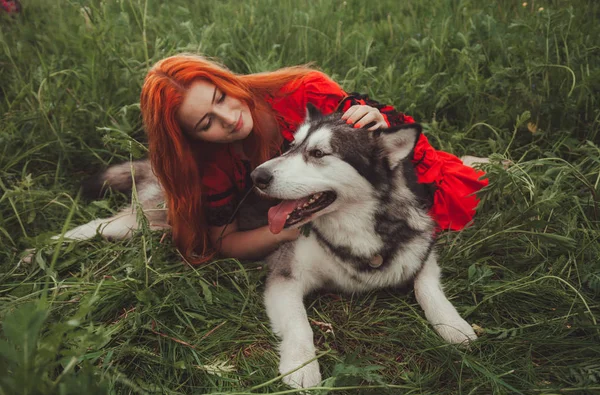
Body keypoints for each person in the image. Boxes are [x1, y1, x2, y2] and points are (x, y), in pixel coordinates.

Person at [140, 54, 487, 264]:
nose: (229, 118)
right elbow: (223, 241)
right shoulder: (211, 165)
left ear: (228, 81)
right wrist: (289, 230)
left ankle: (474, 164)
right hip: (308, 204)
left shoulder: (302, 90)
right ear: (193, 139)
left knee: (441, 193)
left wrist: (373, 121)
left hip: (359, 181)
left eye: (221, 97)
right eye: (207, 123)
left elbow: (363, 151)